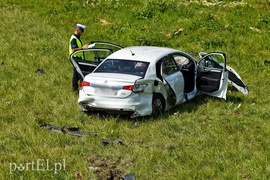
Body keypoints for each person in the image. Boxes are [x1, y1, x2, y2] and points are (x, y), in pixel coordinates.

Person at [69, 23, 88, 92]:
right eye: (82, 31)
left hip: (78, 58)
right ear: (78, 30)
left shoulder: (77, 38)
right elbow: (74, 49)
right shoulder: (74, 39)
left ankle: (75, 89)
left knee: (76, 74)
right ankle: (82, 90)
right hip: (76, 58)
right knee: (80, 74)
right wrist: (82, 48)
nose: (82, 33)